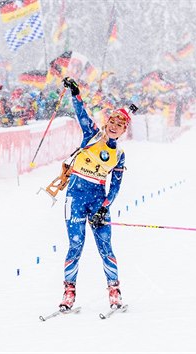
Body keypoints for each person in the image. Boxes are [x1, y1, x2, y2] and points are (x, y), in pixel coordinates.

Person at [58, 77, 130, 311]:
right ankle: (69, 292)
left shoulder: (119, 154)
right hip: (75, 197)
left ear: (123, 130)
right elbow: (81, 112)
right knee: (75, 245)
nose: (113, 126)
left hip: (97, 199)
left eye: (119, 125)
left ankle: (114, 291)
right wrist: (75, 92)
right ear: (107, 121)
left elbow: (115, 187)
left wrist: (104, 208)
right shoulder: (92, 134)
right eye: (112, 121)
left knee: (105, 246)